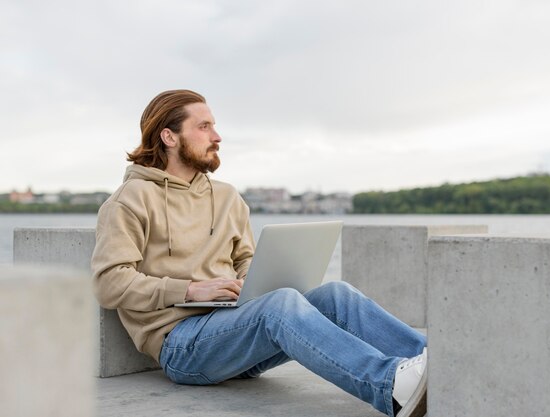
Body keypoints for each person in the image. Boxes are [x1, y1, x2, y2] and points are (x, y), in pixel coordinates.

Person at [91, 89, 428, 417]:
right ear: (169, 136)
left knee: (336, 295)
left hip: (236, 329)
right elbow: (109, 282)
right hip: (182, 345)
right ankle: (389, 385)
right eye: (204, 126)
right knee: (279, 306)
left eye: (214, 126)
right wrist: (190, 289)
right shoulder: (130, 200)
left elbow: (246, 261)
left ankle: (437, 365)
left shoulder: (226, 197)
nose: (217, 136)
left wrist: (252, 280)